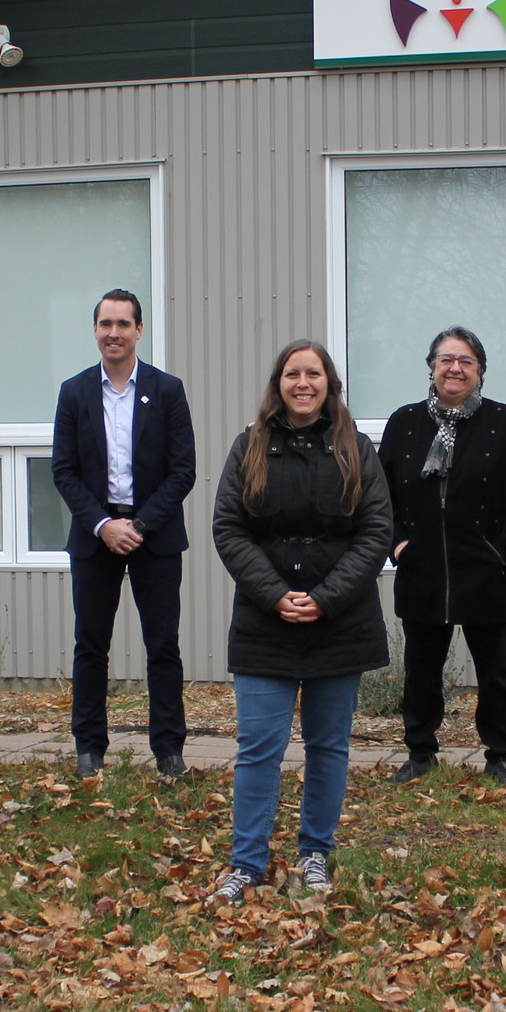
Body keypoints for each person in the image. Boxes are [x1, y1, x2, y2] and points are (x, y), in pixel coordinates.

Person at [208, 341, 393, 902]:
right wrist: (275, 594)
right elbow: (228, 527)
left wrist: (325, 597)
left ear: (329, 383)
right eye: (293, 373)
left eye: (314, 373)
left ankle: (316, 852)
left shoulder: (356, 448)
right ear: (278, 383)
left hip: (340, 623)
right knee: (259, 745)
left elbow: (377, 531)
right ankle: (247, 861)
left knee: (328, 745)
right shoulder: (250, 446)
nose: (303, 382)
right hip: (267, 624)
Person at [378, 328, 506, 785]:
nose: (455, 368)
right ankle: (420, 752)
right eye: (446, 358)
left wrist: (501, 552)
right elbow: (381, 494)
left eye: (466, 360)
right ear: (431, 366)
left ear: (480, 371)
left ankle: (499, 754)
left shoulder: (504, 422)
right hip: (422, 570)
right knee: (421, 670)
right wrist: (397, 544)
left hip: (490, 573)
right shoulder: (405, 423)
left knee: (495, 671)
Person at [50, 289, 197, 780]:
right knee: (90, 643)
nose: (114, 332)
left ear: (139, 330)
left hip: (153, 535)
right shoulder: (74, 392)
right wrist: (104, 525)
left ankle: (169, 750)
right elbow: (64, 471)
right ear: (95, 330)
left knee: (163, 645)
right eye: (105, 323)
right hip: (96, 535)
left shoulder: (168, 389)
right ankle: (89, 746)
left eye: (123, 323)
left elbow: (183, 471)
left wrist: (138, 524)